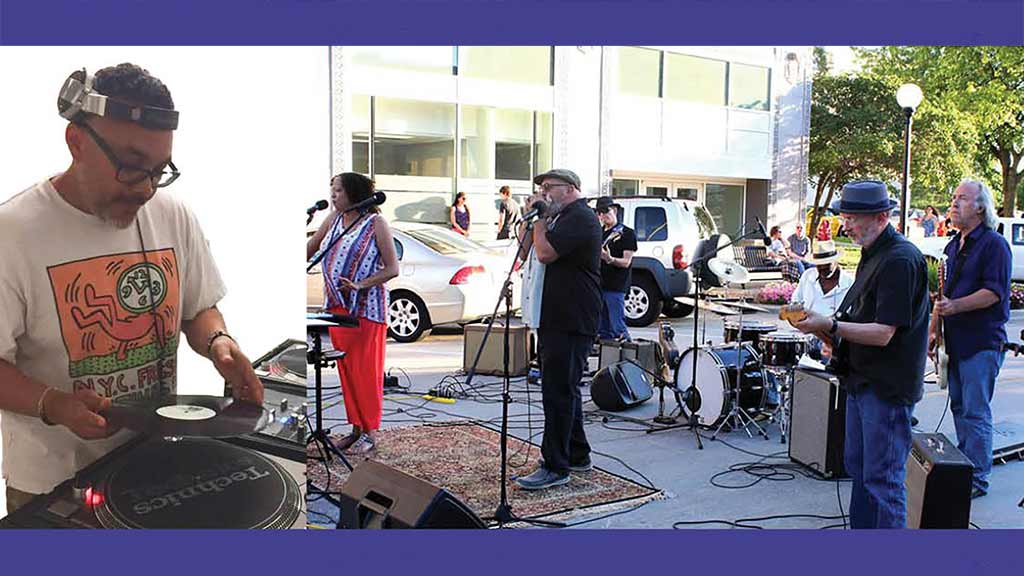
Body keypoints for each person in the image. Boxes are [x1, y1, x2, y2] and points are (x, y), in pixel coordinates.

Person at [0, 63, 264, 515]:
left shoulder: (173, 213)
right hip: (55, 486)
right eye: (131, 167)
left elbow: (199, 308)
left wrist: (219, 342)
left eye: (159, 170)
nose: (145, 189)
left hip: (156, 463)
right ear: (76, 142)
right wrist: (53, 403)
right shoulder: (12, 234)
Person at [794, 179, 929, 529]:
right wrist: (822, 327)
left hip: (885, 388)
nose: (845, 225)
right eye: (845, 216)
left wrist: (832, 327)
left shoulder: (900, 259)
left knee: (883, 482)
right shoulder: (875, 254)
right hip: (862, 382)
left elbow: (884, 333)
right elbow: (860, 319)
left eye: (853, 218)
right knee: (861, 471)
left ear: (882, 217)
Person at [515, 169, 601, 491]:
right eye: (541, 188)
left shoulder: (580, 216)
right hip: (553, 314)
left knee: (558, 393)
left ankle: (556, 466)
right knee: (565, 389)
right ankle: (577, 454)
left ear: (570, 189)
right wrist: (530, 220)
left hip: (571, 316)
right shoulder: (557, 218)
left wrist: (539, 221)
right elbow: (528, 253)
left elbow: (545, 253)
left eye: (549, 187)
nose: (544, 193)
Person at [306, 173, 400, 455]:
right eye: (331, 190)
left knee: (364, 372)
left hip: (365, 310)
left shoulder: (376, 223)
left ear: (353, 193)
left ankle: (369, 434)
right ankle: (356, 429)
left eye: (337, 191)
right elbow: (308, 250)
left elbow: (392, 269)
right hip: (336, 307)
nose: (333, 195)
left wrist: (359, 285)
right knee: (347, 371)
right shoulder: (333, 219)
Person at [932, 179, 1011, 499]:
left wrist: (955, 307)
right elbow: (942, 296)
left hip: (982, 342)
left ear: (980, 207)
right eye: (953, 198)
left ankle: (977, 479)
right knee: (960, 406)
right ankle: (967, 468)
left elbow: (994, 293)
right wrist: (933, 330)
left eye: (962, 199)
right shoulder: (953, 247)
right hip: (955, 343)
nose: (954, 204)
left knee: (975, 411)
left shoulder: (994, 244)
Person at [789, 240, 854, 358]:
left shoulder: (850, 283)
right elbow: (794, 305)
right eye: (819, 265)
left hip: (834, 342)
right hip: (805, 337)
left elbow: (851, 319)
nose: (822, 268)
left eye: (827, 265)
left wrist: (827, 337)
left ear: (835, 261)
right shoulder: (808, 275)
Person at [595, 196, 636, 341]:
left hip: (616, 286)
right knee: (602, 328)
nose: (602, 216)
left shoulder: (627, 233)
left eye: (605, 211)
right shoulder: (598, 232)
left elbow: (626, 262)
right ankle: (607, 356)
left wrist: (609, 259)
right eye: (599, 212)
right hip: (600, 284)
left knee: (617, 325)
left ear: (615, 210)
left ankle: (628, 356)